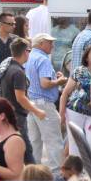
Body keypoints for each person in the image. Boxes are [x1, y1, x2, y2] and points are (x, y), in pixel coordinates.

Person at [0, 36, 38, 164]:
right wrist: (37, 111)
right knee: (27, 151)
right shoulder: (18, 72)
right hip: (17, 117)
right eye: (29, 50)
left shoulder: (7, 67)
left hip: (8, 114)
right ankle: (34, 175)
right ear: (25, 52)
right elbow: (20, 98)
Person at [25, 33, 66, 169]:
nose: (52, 46)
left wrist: (55, 79)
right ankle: (57, 172)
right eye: (50, 43)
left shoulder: (30, 57)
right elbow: (45, 83)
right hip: (44, 104)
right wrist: (59, 81)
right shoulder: (43, 59)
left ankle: (33, 171)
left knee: (34, 141)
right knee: (54, 140)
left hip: (31, 102)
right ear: (41, 43)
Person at [60, 45, 91, 157]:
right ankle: (74, 166)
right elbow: (65, 93)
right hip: (75, 110)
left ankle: (87, 166)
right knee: (74, 143)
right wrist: (62, 114)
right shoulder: (80, 71)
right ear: (86, 57)